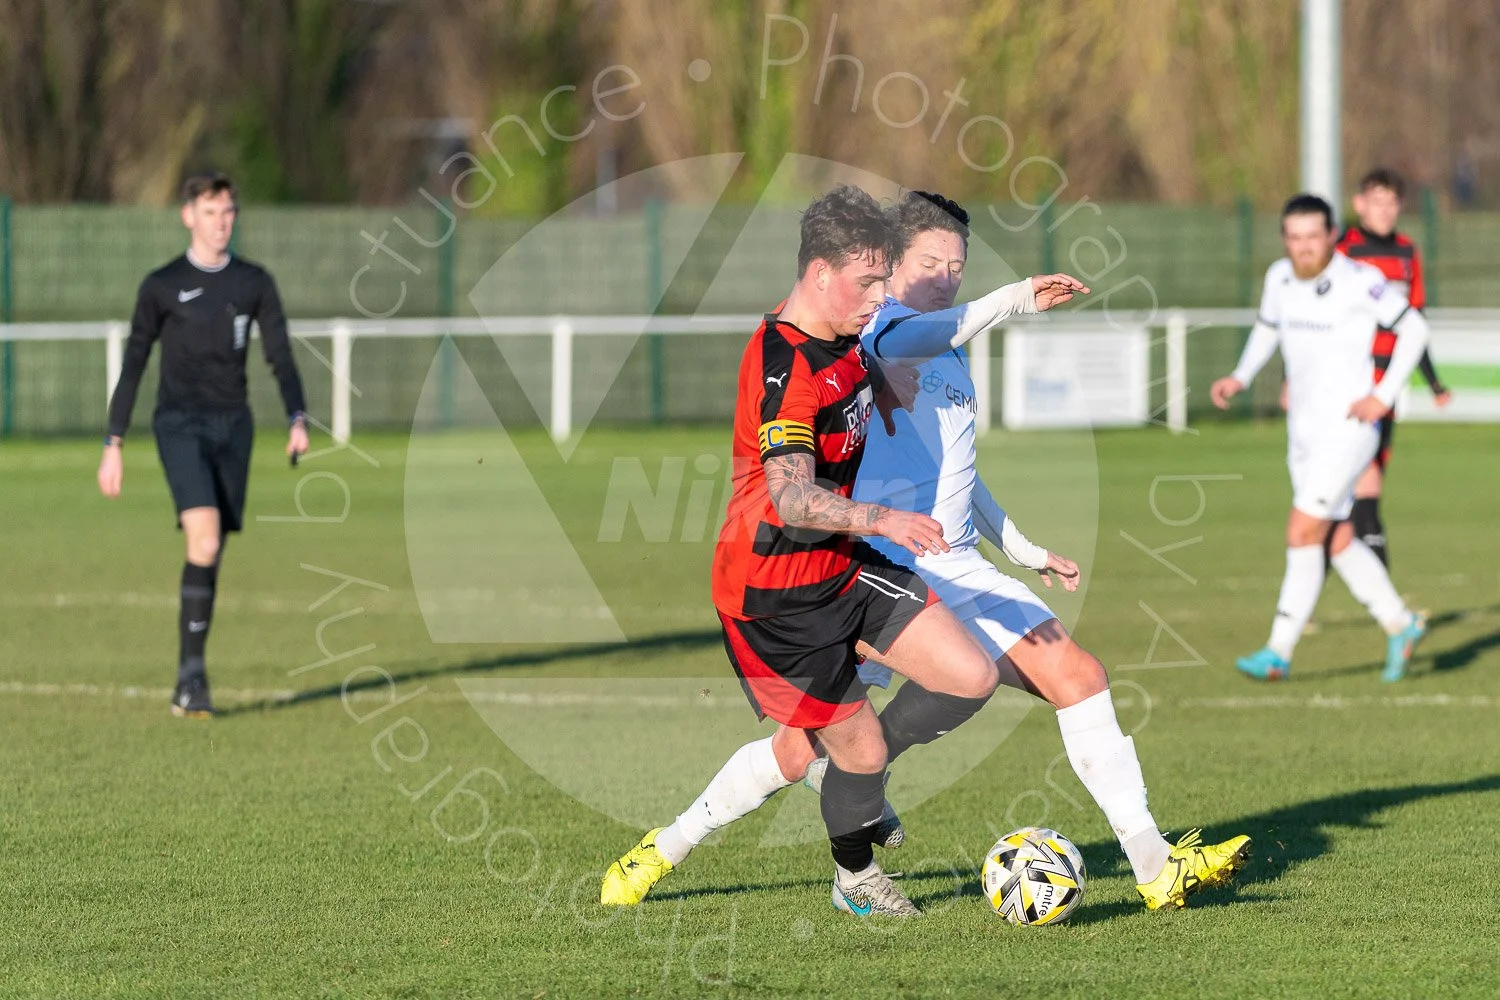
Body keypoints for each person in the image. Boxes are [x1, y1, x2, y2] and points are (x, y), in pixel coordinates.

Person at [602, 191, 1248, 914]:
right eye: (926, 263)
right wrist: (1013, 300)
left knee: (1068, 677)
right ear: (882, 269)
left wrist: (1023, 547)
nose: (943, 277)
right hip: (864, 564)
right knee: (805, 749)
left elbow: (955, 474)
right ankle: (677, 843)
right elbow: (885, 361)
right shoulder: (883, 332)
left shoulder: (891, 348)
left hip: (926, 561)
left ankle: (1155, 868)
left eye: (957, 266)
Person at [97, 172, 309, 718]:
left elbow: (280, 354)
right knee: (206, 540)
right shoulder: (162, 285)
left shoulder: (254, 282)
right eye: (210, 212)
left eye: (229, 212)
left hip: (234, 428)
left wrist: (297, 416)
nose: (221, 223)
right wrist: (114, 441)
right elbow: (135, 362)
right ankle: (192, 677)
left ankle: (186, 678)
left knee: (210, 551)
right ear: (188, 215)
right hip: (179, 425)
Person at [1213, 193, 1431, 683]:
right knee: (1335, 538)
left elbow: (1415, 330)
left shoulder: (1361, 281)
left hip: (1349, 431)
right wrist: (1241, 376)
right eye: (1295, 237)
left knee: (1302, 530)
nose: (1304, 246)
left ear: (1333, 235)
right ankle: (1401, 624)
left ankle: (1278, 650)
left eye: (1313, 236)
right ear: (1284, 239)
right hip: (1304, 433)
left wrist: (1383, 395)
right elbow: (1267, 328)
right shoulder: (1279, 278)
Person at [1334, 167, 1451, 567]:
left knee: (1363, 487)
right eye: (1376, 202)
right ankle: (1379, 590)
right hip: (1348, 386)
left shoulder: (1406, 253)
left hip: (1387, 388)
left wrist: (1434, 383)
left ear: (1400, 206)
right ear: (1359, 204)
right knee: (1355, 488)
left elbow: (1415, 324)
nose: (1384, 210)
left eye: (1391, 202)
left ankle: (1361, 582)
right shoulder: (1343, 252)